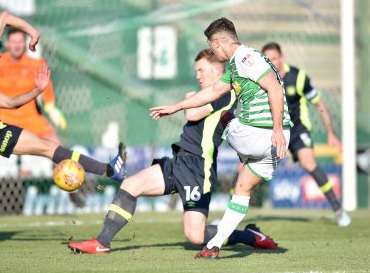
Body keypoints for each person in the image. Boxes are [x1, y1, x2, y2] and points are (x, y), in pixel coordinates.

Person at [68, 49, 278, 254]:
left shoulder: (226, 94)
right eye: (196, 71)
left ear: (217, 70)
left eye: (201, 70)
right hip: (179, 160)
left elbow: (193, 114)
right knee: (131, 184)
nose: (197, 76)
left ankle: (249, 236)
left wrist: (189, 99)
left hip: (198, 167)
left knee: (195, 236)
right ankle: (102, 242)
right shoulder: (206, 93)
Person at [150, 17, 292, 259]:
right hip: (273, 141)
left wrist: (276, 128)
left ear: (217, 42)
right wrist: (176, 106)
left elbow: (275, 88)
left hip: (262, 132)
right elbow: (214, 90)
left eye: (212, 46)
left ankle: (233, 130)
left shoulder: (246, 58)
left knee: (226, 116)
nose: (213, 52)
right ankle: (214, 245)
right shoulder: (238, 64)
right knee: (242, 188)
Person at [0, 11, 125, 224]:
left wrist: (37, 90)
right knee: (48, 148)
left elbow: (11, 102)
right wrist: (33, 33)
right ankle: (108, 169)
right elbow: (4, 17)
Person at [262, 42, 351, 227]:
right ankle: (229, 216)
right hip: (272, 130)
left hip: (297, 130)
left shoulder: (298, 77)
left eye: (275, 58)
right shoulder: (260, 79)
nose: (271, 62)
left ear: (282, 58)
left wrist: (331, 134)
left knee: (309, 163)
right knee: (245, 168)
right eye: (267, 59)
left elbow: (320, 105)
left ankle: (338, 209)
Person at [0, 28, 84, 207]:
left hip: (33, 121)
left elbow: (47, 91)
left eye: (21, 41)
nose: (17, 45)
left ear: (26, 43)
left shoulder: (35, 63)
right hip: (3, 121)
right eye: (14, 41)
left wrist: (52, 109)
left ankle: (73, 190)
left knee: (58, 148)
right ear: (7, 43)